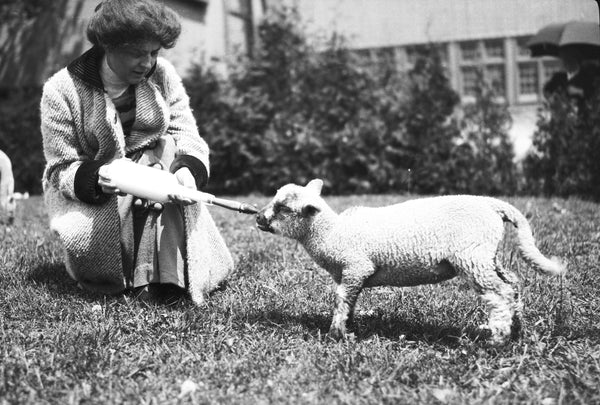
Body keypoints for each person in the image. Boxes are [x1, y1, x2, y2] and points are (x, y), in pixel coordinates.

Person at [40, 0, 233, 303]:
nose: (147, 62)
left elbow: (187, 133)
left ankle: (172, 278)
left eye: (154, 52)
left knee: (167, 153)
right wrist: (100, 176)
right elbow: (59, 169)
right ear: (108, 45)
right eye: (136, 53)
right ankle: (139, 276)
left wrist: (187, 170)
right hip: (104, 190)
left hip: (162, 168)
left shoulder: (163, 75)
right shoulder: (61, 89)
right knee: (133, 183)